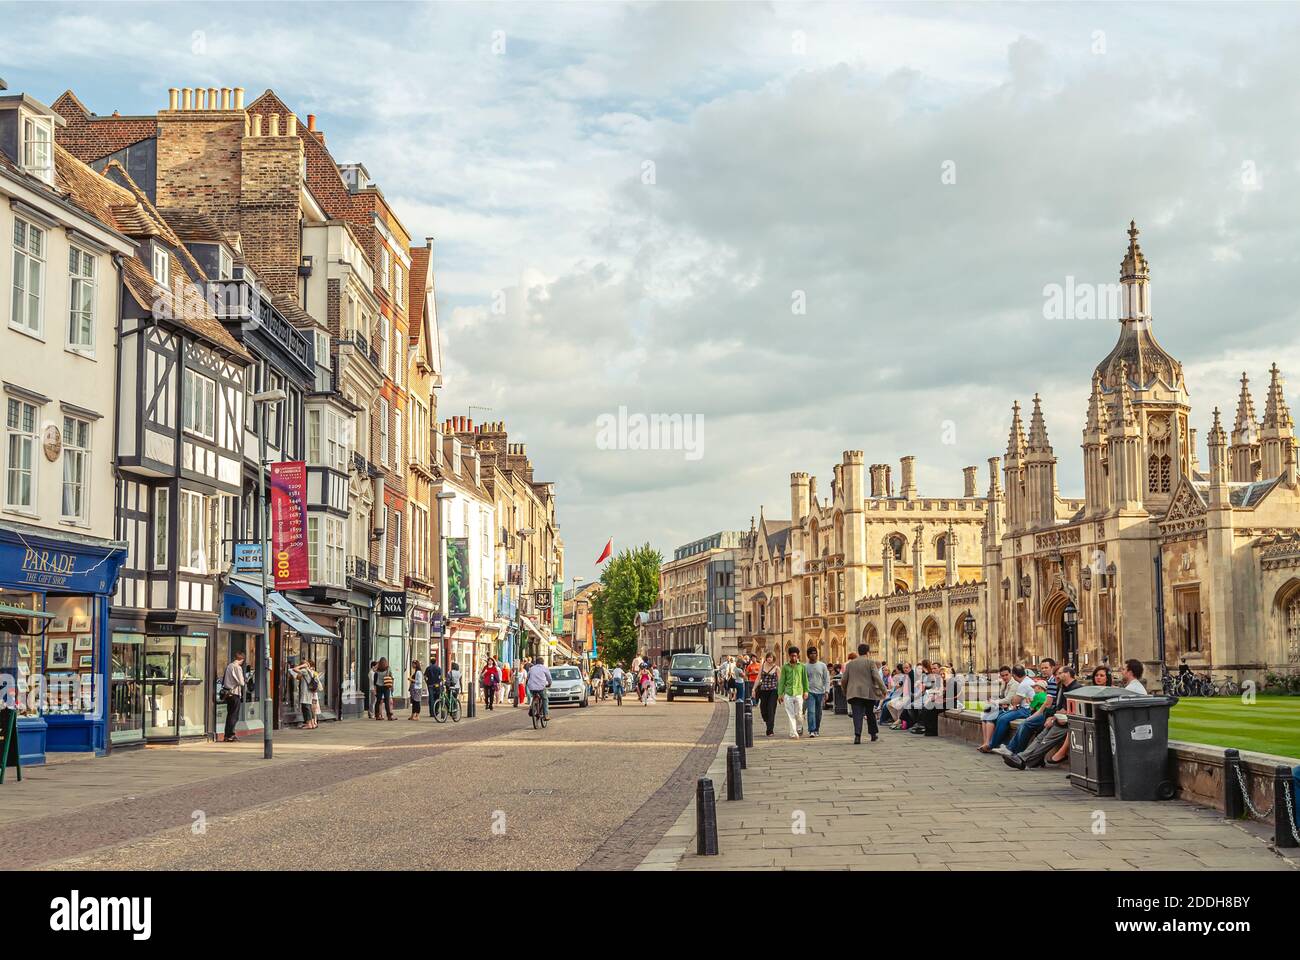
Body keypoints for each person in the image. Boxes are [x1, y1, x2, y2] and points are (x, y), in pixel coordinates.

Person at [1004, 665, 1080, 769]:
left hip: (1068, 722)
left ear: (1067, 674)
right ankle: (1022, 757)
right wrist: (1052, 717)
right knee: (1040, 737)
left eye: (1059, 673)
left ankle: (1023, 761)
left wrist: (1053, 718)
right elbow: (1058, 708)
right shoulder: (1063, 687)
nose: (1057, 676)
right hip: (1058, 719)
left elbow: (1069, 710)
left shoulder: (1076, 688)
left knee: (1046, 740)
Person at [980, 665, 1033, 752]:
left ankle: (991, 745)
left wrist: (1009, 702)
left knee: (1002, 718)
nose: (1005, 677)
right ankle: (989, 743)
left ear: (1014, 675)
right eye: (1002, 675)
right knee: (999, 717)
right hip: (1020, 708)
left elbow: (1013, 701)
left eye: (1007, 675)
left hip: (1026, 710)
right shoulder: (1024, 682)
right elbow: (1012, 700)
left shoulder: (1023, 684)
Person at [843, 643, 887, 743]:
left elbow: (844, 680)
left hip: (854, 693)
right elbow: (877, 677)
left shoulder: (850, 664)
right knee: (870, 713)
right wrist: (883, 690)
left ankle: (857, 735)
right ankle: (873, 734)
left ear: (859, 652)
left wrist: (845, 690)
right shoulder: (870, 662)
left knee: (857, 714)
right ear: (868, 652)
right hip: (868, 692)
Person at [803, 646, 831, 738]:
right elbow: (803, 680)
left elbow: (826, 679)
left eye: (815, 653)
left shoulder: (822, 665)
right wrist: (804, 691)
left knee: (818, 712)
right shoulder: (805, 667)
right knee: (811, 711)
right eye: (811, 653)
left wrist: (827, 691)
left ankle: (816, 729)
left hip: (820, 692)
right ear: (808, 655)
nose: (813, 655)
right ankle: (811, 730)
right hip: (810, 692)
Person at [221, 650, 246, 742]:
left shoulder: (229, 666)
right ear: (241, 659)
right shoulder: (237, 667)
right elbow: (241, 682)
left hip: (228, 693)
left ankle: (227, 735)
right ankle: (230, 735)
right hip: (235, 693)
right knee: (234, 715)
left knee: (230, 714)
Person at [755, 652, 780, 736]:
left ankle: (770, 730)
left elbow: (779, 681)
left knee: (771, 709)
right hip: (763, 690)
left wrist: (780, 694)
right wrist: (753, 689)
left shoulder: (777, 668)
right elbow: (758, 678)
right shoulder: (762, 667)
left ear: (774, 658)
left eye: (771, 657)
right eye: (768, 657)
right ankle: (767, 720)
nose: (769, 659)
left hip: (773, 691)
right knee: (763, 709)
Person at [289, 659, 317, 728]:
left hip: (305, 691)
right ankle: (312, 723)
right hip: (309, 691)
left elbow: (294, 669)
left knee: (306, 707)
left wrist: (302, 665)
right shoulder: (310, 671)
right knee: (309, 707)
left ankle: (309, 724)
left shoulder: (305, 670)